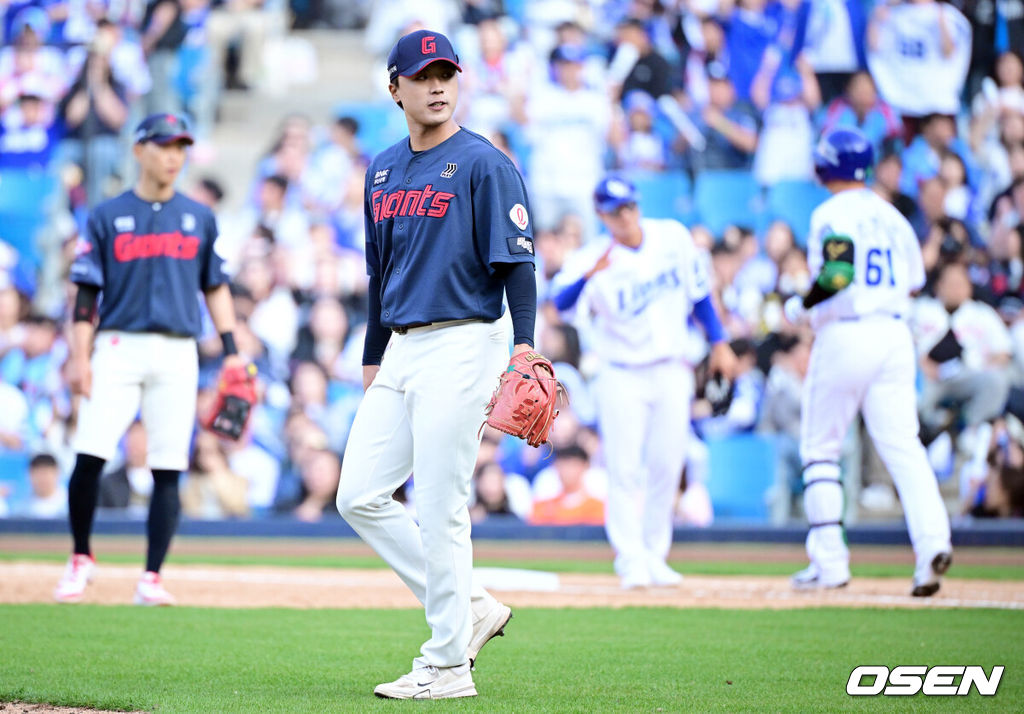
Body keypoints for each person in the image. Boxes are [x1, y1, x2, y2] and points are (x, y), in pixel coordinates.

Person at [335, 30, 530, 700]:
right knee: (359, 494)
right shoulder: (382, 170)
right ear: (395, 89)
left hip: (468, 339)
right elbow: (379, 275)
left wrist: (524, 346)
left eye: (446, 72)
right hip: (404, 345)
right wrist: (372, 356)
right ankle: (471, 607)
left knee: (441, 504)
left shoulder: (484, 163)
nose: (437, 85)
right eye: (422, 75)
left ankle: (448, 666)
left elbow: (518, 265)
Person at [55, 112, 242, 606]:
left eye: (180, 147)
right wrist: (80, 356)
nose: (173, 156)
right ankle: (80, 557)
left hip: (178, 349)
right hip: (118, 345)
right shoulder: (106, 214)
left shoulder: (199, 216)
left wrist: (231, 352)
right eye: (164, 146)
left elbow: (216, 285)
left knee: (168, 465)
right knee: (90, 453)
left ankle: (152, 576)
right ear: (140, 150)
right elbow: (85, 296)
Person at [784, 126, 953, 596]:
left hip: (848, 331)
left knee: (820, 450)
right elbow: (915, 280)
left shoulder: (832, 212)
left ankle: (829, 563)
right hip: (895, 332)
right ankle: (933, 546)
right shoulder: (892, 215)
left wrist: (799, 306)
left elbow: (838, 274)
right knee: (904, 447)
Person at [551, 175, 737, 589]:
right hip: (621, 374)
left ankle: (655, 554)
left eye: (629, 207)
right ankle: (630, 559)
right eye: (615, 211)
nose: (625, 216)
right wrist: (588, 276)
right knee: (623, 468)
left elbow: (700, 295)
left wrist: (719, 341)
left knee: (668, 464)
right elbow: (557, 304)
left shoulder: (672, 237)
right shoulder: (593, 256)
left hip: (672, 368)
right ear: (602, 216)